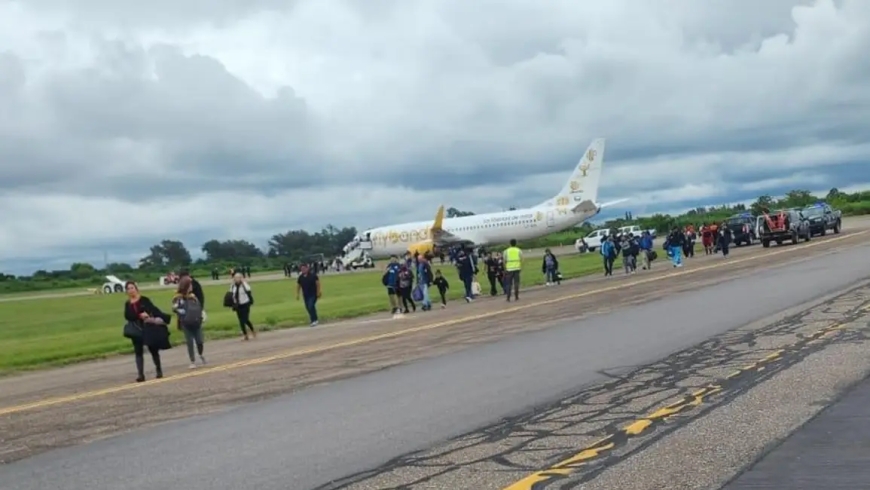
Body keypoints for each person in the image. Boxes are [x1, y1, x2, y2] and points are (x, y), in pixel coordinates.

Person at [123, 281, 171, 383]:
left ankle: (159, 370)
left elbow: (153, 309)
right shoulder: (127, 304)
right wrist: (138, 316)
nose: (131, 290)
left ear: (136, 289)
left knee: (153, 349)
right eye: (128, 289)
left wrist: (163, 318)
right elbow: (127, 316)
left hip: (147, 327)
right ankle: (141, 374)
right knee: (138, 351)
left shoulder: (144, 300)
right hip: (136, 329)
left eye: (132, 288)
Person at [172, 277, 206, 369]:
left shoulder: (193, 296)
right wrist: (184, 314)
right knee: (190, 341)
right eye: (190, 285)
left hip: (196, 321)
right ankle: (192, 360)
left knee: (199, 340)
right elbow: (175, 308)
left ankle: (200, 354)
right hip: (186, 322)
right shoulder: (178, 297)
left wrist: (201, 315)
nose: (191, 286)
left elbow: (199, 306)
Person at [231, 272, 256, 340]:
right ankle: (246, 335)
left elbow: (248, 289)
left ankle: (252, 330)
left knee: (244, 319)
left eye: (238, 278)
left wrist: (243, 282)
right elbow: (232, 294)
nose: (236, 279)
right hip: (238, 305)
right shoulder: (233, 286)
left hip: (245, 303)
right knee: (241, 320)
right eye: (235, 278)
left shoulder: (244, 285)